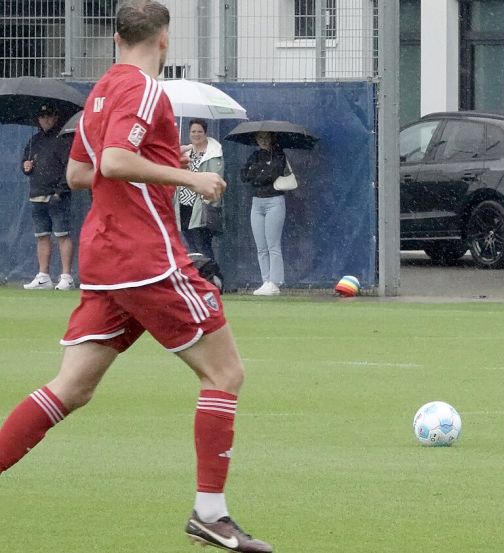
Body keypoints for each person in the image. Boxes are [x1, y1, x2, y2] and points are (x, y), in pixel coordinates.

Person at [0, 2, 274, 551]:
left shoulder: (100, 92)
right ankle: (210, 513)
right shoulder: (149, 91)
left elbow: (81, 171)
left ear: (116, 38)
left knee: (71, 388)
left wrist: (133, 169)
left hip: (105, 261)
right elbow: (115, 164)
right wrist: (188, 178)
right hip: (145, 255)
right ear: (164, 40)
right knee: (225, 374)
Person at [21, 104, 75, 291]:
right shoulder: (33, 141)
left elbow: (69, 167)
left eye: (49, 116)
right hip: (37, 194)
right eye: (42, 116)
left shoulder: (63, 140)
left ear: (56, 117)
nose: (46, 119)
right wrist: (26, 167)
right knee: (42, 236)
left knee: (62, 235)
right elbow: (25, 164)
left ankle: (66, 276)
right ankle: (44, 276)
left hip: (57, 196)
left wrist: (60, 191)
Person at [240, 131, 288, 296]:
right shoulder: (254, 156)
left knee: (273, 245)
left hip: (274, 201)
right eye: (260, 138)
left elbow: (272, 174)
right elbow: (244, 175)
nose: (263, 141)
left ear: (272, 138)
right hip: (257, 203)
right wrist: (260, 171)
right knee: (261, 247)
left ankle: (275, 282)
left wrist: (258, 173)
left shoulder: (279, 154)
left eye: (266, 138)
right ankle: (266, 281)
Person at [177, 118, 224, 260]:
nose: (196, 134)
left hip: (201, 207)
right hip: (184, 205)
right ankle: (199, 277)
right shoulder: (186, 152)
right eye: (193, 131)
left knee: (203, 245)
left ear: (205, 133)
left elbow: (215, 178)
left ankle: (212, 278)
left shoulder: (213, 154)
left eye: (199, 131)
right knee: (191, 247)